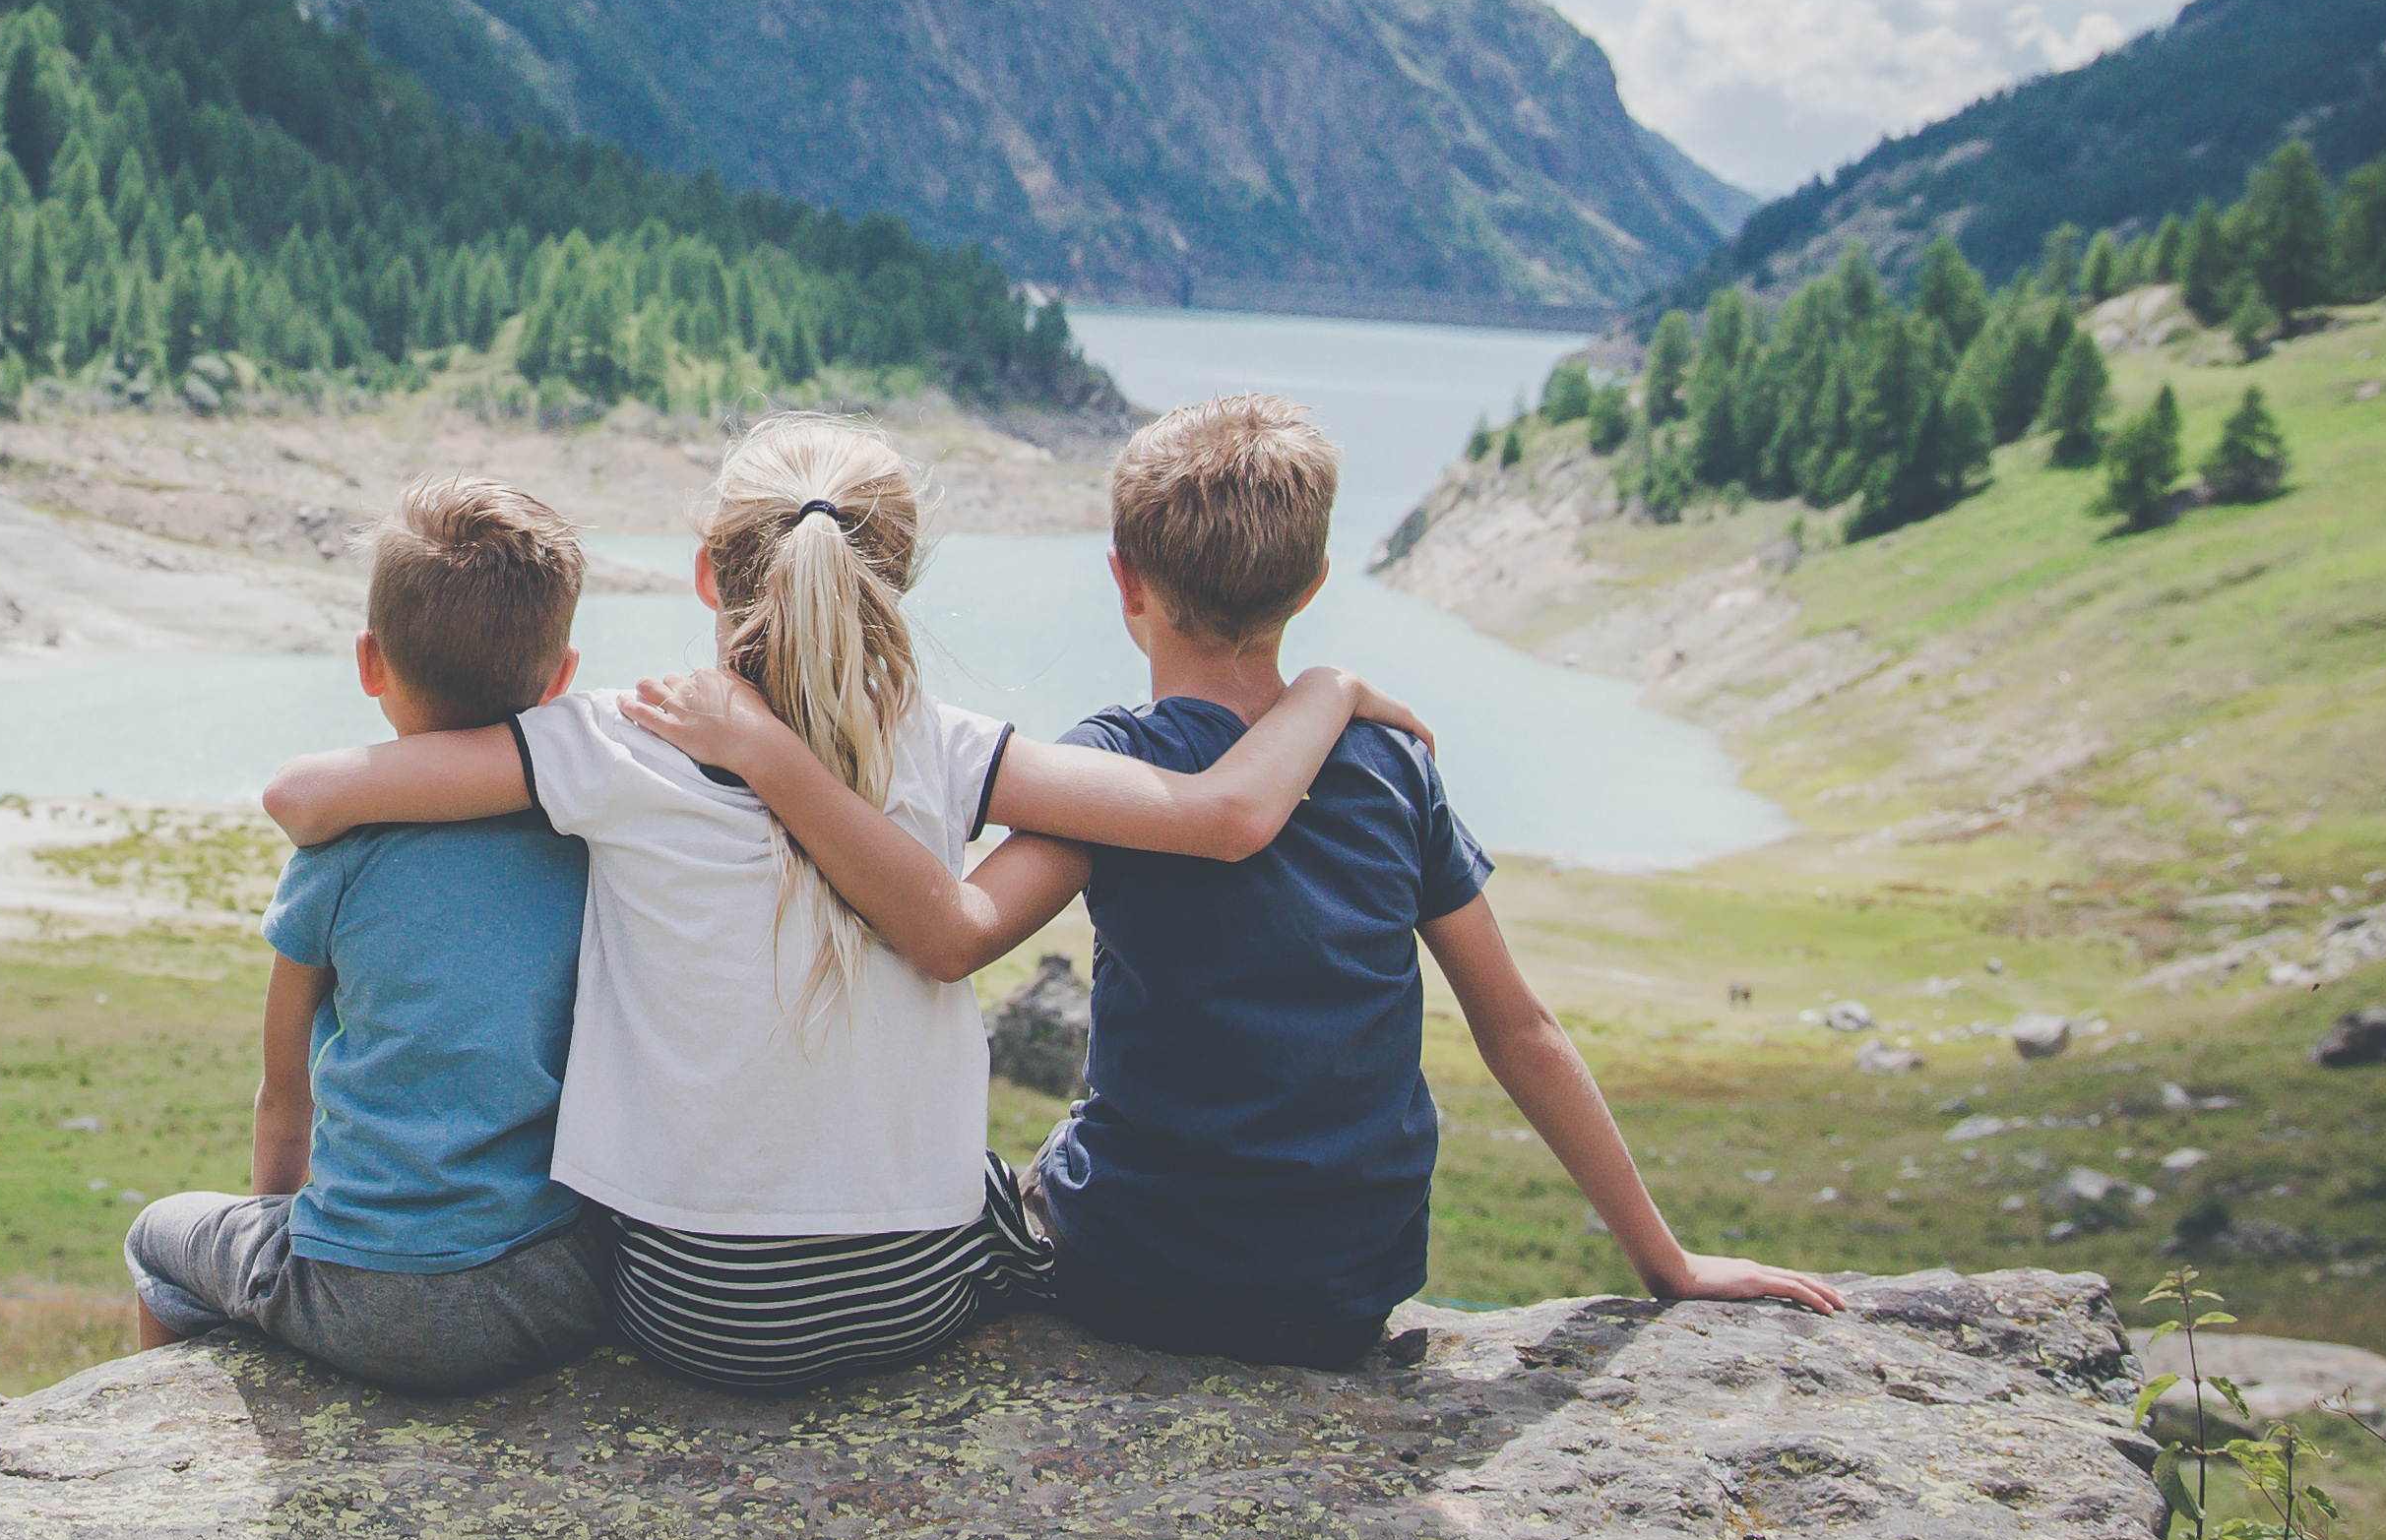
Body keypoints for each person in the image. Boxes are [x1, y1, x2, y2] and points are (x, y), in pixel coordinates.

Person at [630, 390, 1846, 1364]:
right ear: (1312, 585)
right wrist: (1664, 1260)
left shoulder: (1113, 766)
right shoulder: (1392, 768)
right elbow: (1517, 1028)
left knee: (992, 1187)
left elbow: (954, 929)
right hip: (1344, 1293)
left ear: (1124, 581)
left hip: (1134, 1275)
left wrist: (770, 756)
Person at [260, 413, 1409, 1393]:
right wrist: (1327, 687)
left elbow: (304, 794)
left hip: (684, 1303)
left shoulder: (612, 736)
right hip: (916, 1291)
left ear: (705, 573)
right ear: (889, 581)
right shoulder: (949, 747)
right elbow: (1226, 816)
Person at [126, 477, 618, 1392]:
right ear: (561, 676)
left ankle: (163, 1428)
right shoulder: (594, 840)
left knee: (157, 1238)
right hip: (563, 1288)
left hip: (368, 1300)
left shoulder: (338, 855)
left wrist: (276, 1228)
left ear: (369, 661)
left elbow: (285, 1095)